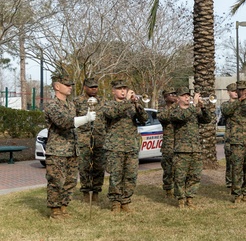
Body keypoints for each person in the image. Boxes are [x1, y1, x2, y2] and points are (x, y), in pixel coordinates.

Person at [100, 80, 148, 213]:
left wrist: (137, 104)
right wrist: (127, 101)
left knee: (130, 176)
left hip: (131, 146)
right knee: (116, 175)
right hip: (115, 147)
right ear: (113, 91)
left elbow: (144, 118)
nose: (123, 91)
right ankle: (115, 202)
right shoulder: (108, 105)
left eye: (124, 88)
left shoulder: (132, 105)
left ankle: (125, 201)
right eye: (119, 89)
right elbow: (112, 114)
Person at [161, 87, 212, 207]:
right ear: (178, 98)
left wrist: (203, 107)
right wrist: (194, 105)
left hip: (195, 148)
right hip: (181, 149)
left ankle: (190, 197)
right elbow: (182, 116)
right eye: (184, 96)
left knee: (195, 175)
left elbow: (207, 119)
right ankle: (180, 199)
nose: (187, 98)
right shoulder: (175, 112)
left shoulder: (194, 110)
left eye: (188, 96)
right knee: (180, 176)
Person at [44, 71, 86, 219]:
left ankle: (63, 206)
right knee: (56, 181)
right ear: (56, 86)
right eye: (66, 85)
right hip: (57, 150)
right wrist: (85, 119)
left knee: (71, 181)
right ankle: (55, 209)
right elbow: (63, 122)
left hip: (72, 149)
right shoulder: (51, 104)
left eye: (71, 85)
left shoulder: (71, 105)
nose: (70, 87)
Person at [74, 77, 105, 204]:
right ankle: (86, 192)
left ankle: (96, 191)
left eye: (96, 87)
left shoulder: (102, 101)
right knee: (84, 166)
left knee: (99, 166)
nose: (94, 89)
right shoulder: (77, 101)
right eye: (91, 87)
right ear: (85, 87)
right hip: (83, 138)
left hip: (99, 137)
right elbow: (73, 120)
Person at [158, 88, 178, 199]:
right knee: (168, 168)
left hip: (180, 142)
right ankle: (168, 190)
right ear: (166, 97)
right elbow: (165, 118)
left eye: (176, 94)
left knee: (179, 169)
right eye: (172, 94)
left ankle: (179, 190)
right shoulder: (162, 110)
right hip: (168, 144)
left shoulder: (180, 109)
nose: (175, 96)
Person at [219, 83, 238, 190]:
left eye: (237, 90)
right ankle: (230, 184)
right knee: (230, 164)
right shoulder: (226, 105)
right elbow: (227, 111)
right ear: (228, 92)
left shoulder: (245, 104)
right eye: (233, 90)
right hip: (230, 139)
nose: (235, 92)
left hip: (243, 139)